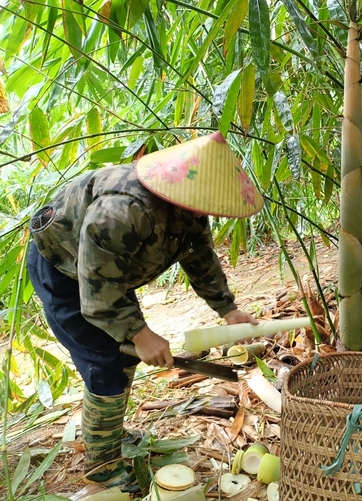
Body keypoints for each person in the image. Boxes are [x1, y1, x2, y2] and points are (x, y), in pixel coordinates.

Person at [27, 131, 263, 492]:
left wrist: (228, 309)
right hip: (65, 273)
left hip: (105, 277)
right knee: (105, 363)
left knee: (123, 361)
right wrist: (140, 333)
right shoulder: (121, 211)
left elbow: (200, 259)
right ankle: (102, 467)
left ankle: (107, 432)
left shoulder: (189, 208)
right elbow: (97, 290)